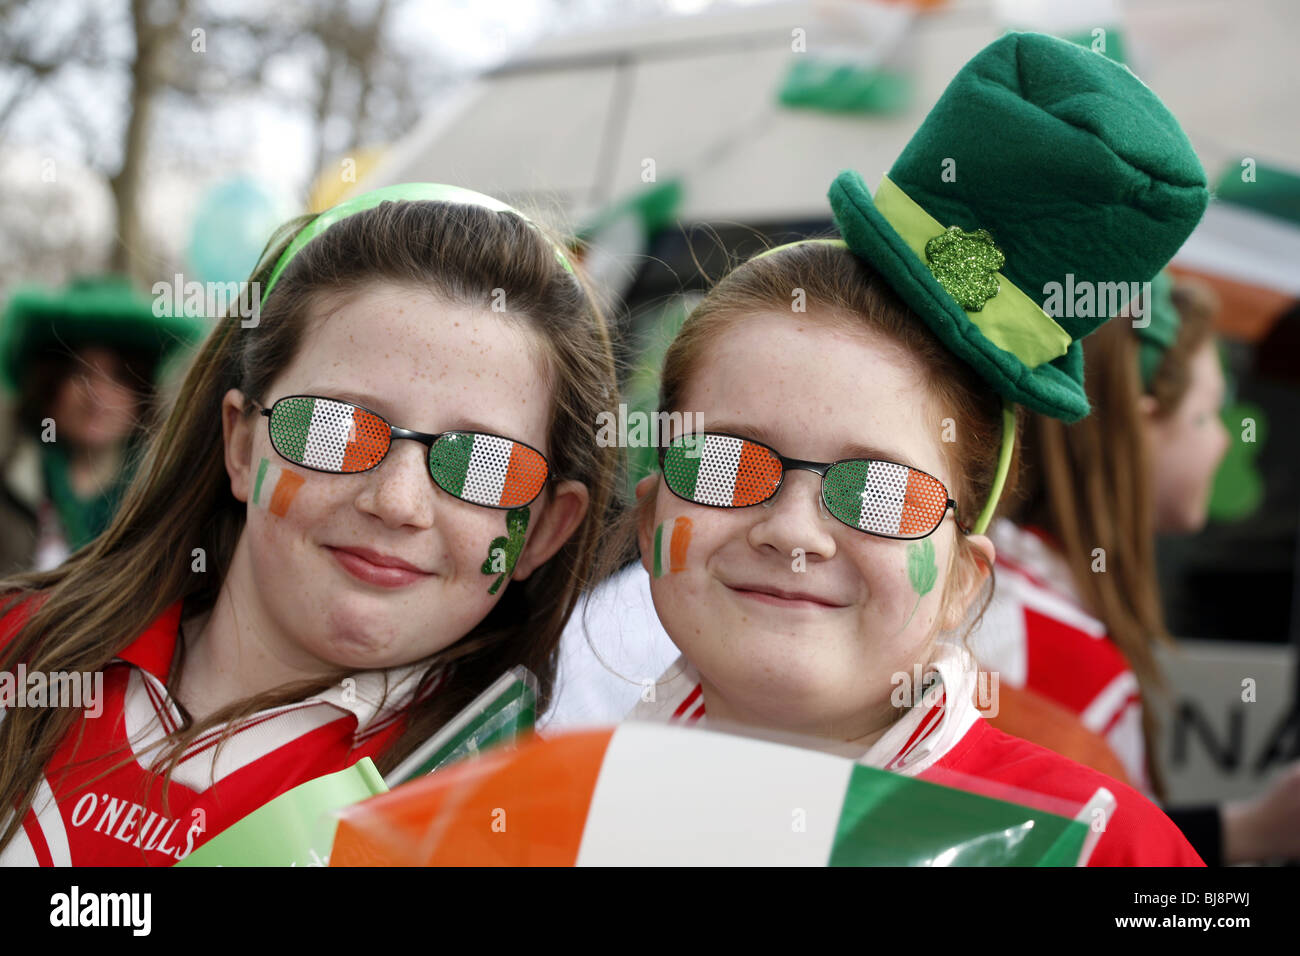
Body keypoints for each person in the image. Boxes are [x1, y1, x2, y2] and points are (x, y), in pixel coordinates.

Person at [573, 32, 1211, 864]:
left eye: (879, 490)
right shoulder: (525, 815)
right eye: (726, 463)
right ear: (652, 506)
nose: (792, 531)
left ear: (964, 581)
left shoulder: (1099, 848)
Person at [0, 182, 617, 865]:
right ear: (240, 443)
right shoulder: (17, 652)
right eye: (336, 428)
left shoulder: (515, 832)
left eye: (484, 464)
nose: (398, 502)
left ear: (546, 529)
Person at [972, 270, 1300, 864]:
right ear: (1145, 420)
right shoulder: (1047, 642)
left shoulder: (1001, 592)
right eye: (1211, 413)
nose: (1227, 442)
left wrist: (1247, 830)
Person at [0, 276, 203, 575]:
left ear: (143, 392)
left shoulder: (173, 495)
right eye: (80, 374)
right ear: (48, 386)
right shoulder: (9, 472)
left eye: (120, 377)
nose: (98, 397)